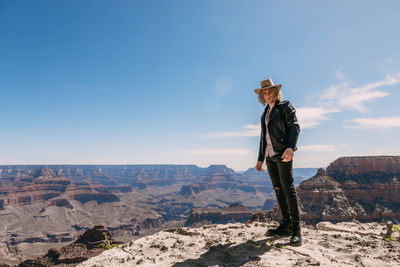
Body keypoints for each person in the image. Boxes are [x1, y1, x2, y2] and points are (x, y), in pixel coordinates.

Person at [254, 78, 302, 245]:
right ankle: (286, 224)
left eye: (269, 92)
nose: (267, 95)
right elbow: (263, 138)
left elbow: (295, 127)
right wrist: (260, 158)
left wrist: (290, 148)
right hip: (269, 156)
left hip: (283, 154)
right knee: (278, 189)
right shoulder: (265, 113)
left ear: (275, 92)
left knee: (288, 189)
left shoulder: (284, 107)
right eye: (264, 93)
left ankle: (297, 230)